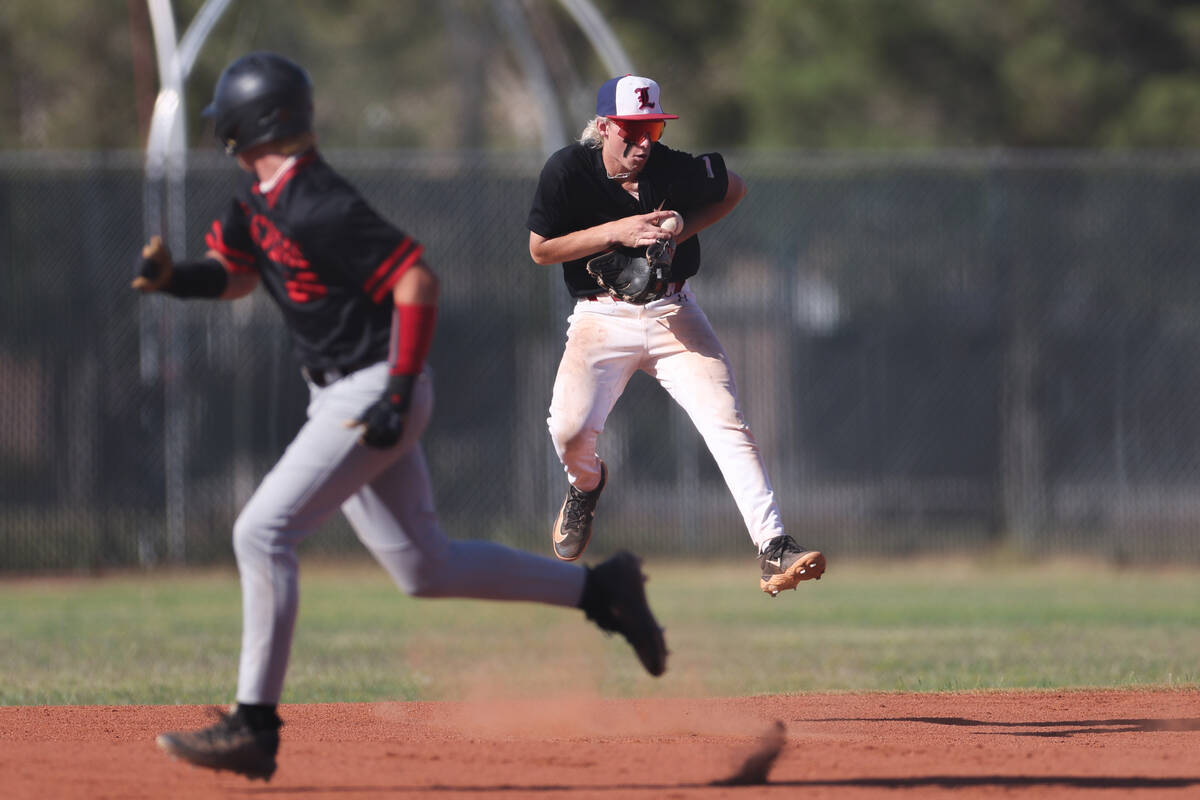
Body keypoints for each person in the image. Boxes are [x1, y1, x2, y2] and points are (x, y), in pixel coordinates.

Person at [135, 52, 666, 783]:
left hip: (376, 386)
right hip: (345, 392)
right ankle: (602, 591)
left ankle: (253, 724)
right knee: (424, 566)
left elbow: (417, 278)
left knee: (260, 531)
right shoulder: (255, 199)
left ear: (248, 122)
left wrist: (396, 390)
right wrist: (178, 281)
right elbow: (237, 275)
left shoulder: (320, 199)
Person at [526, 75, 826, 596]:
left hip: (673, 310)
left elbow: (734, 187)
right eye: (632, 130)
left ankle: (774, 546)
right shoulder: (568, 169)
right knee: (569, 432)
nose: (644, 143)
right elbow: (541, 249)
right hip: (602, 318)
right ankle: (586, 486)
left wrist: (681, 228)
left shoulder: (671, 165)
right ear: (604, 127)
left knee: (726, 423)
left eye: (654, 128)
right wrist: (616, 232)